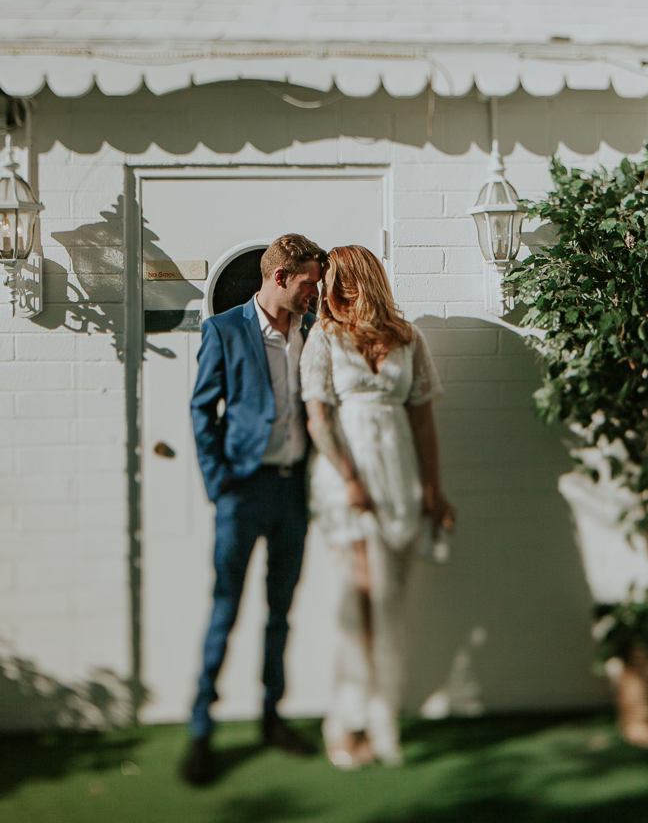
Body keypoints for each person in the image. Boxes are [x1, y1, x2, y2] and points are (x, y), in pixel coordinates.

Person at [180, 234, 326, 786]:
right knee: (226, 608)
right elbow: (203, 410)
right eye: (309, 281)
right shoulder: (224, 330)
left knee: (280, 610)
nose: (315, 290)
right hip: (243, 490)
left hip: (293, 490)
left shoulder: (312, 331)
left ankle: (271, 716)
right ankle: (200, 730)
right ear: (280, 277)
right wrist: (220, 483)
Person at [301, 244, 455, 769]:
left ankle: (381, 714)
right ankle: (345, 722)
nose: (334, 290)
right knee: (363, 603)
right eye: (329, 282)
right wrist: (348, 478)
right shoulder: (323, 338)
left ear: (366, 278)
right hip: (348, 482)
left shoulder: (409, 339)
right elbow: (318, 420)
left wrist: (433, 491)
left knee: (391, 606)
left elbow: (423, 420)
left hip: (400, 479)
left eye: (343, 279)